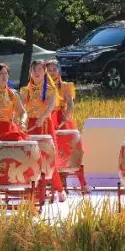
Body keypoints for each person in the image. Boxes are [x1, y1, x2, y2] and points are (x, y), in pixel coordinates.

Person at [21, 60, 61, 199]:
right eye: (34, 70)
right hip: (30, 125)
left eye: (39, 69)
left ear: (45, 72)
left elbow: (50, 107)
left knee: (48, 155)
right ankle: (32, 188)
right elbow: (21, 109)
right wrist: (21, 121)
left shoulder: (50, 90)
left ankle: (57, 187)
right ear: (30, 72)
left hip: (44, 124)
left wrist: (42, 117)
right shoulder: (25, 90)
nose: (37, 72)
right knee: (30, 156)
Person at [46, 59, 87, 193]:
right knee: (51, 150)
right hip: (48, 118)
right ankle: (57, 184)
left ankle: (82, 183)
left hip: (62, 117)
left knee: (71, 150)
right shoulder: (43, 86)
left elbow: (70, 103)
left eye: (54, 69)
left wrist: (64, 118)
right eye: (49, 69)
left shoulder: (66, 86)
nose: (52, 72)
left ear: (59, 70)